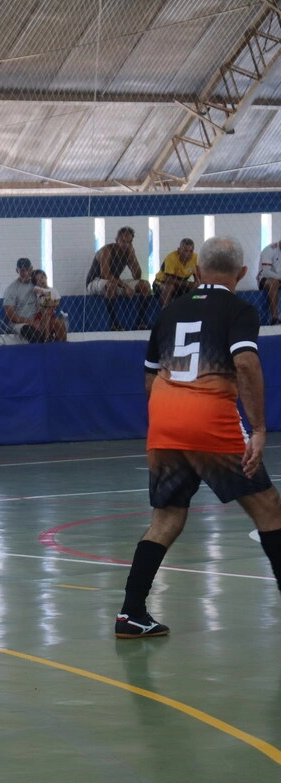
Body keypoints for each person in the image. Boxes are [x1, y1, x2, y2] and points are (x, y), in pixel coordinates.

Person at [115, 235, 281, 638]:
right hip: (210, 423)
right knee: (269, 509)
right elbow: (245, 363)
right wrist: (258, 429)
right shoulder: (240, 309)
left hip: (164, 424)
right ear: (242, 274)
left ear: (198, 271)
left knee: (167, 518)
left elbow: (151, 376)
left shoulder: (169, 311)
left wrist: (169, 417)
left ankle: (131, 614)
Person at [85, 226, 153, 331]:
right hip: (95, 281)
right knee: (110, 286)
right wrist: (125, 286)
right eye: (123, 241)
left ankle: (141, 322)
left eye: (129, 242)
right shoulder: (107, 250)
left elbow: (137, 276)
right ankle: (114, 324)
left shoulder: (128, 252)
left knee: (145, 285)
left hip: (114, 281)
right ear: (117, 240)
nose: (126, 245)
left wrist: (133, 256)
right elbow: (105, 275)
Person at [4, 258, 66, 342]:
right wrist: (31, 322)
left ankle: (62, 350)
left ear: (31, 269)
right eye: (22, 270)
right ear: (17, 271)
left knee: (59, 323)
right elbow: (11, 316)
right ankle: (44, 346)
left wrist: (52, 304)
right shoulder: (11, 289)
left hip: (40, 319)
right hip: (21, 323)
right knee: (30, 331)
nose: (25, 273)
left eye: (27, 270)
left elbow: (47, 297)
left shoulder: (36, 283)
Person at [155, 238, 198, 310]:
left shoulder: (195, 257)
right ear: (179, 250)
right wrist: (188, 284)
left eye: (191, 251)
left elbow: (197, 277)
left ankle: (193, 310)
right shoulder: (171, 257)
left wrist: (197, 284)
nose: (188, 254)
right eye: (185, 251)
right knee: (169, 287)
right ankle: (165, 311)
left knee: (197, 287)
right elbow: (168, 279)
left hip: (181, 284)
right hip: (161, 283)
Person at [257, 239, 281, 325]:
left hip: (279, 279)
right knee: (274, 283)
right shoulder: (269, 250)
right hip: (265, 279)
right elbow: (266, 272)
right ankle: (275, 319)